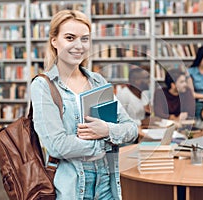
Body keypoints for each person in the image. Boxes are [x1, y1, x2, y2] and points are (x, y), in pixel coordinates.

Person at [30, 10, 138, 199]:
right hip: (73, 188)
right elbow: (58, 146)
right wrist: (107, 141)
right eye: (70, 38)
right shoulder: (43, 86)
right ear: (54, 41)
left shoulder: (98, 81)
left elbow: (132, 129)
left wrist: (106, 129)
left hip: (107, 185)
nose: (79, 46)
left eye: (85, 39)